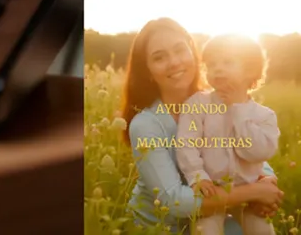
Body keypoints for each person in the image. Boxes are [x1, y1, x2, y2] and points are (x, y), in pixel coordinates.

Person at [121, 19, 282, 231]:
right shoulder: (146, 125)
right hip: (161, 226)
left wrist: (267, 179)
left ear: (193, 54)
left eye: (180, 50)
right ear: (148, 71)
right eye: (159, 57)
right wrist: (254, 192)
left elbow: (245, 150)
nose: (174, 62)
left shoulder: (219, 101)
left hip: (214, 211)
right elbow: (172, 201)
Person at [175, 34, 280, 234]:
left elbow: (257, 153)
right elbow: (186, 144)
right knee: (205, 230)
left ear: (250, 70)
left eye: (227, 62)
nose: (218, 69)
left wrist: (238, 109)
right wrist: (197, 176)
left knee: (263, 230)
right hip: (212, 190)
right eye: (212, 64)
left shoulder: (264, 116)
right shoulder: (197, 105)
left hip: (249, 195)